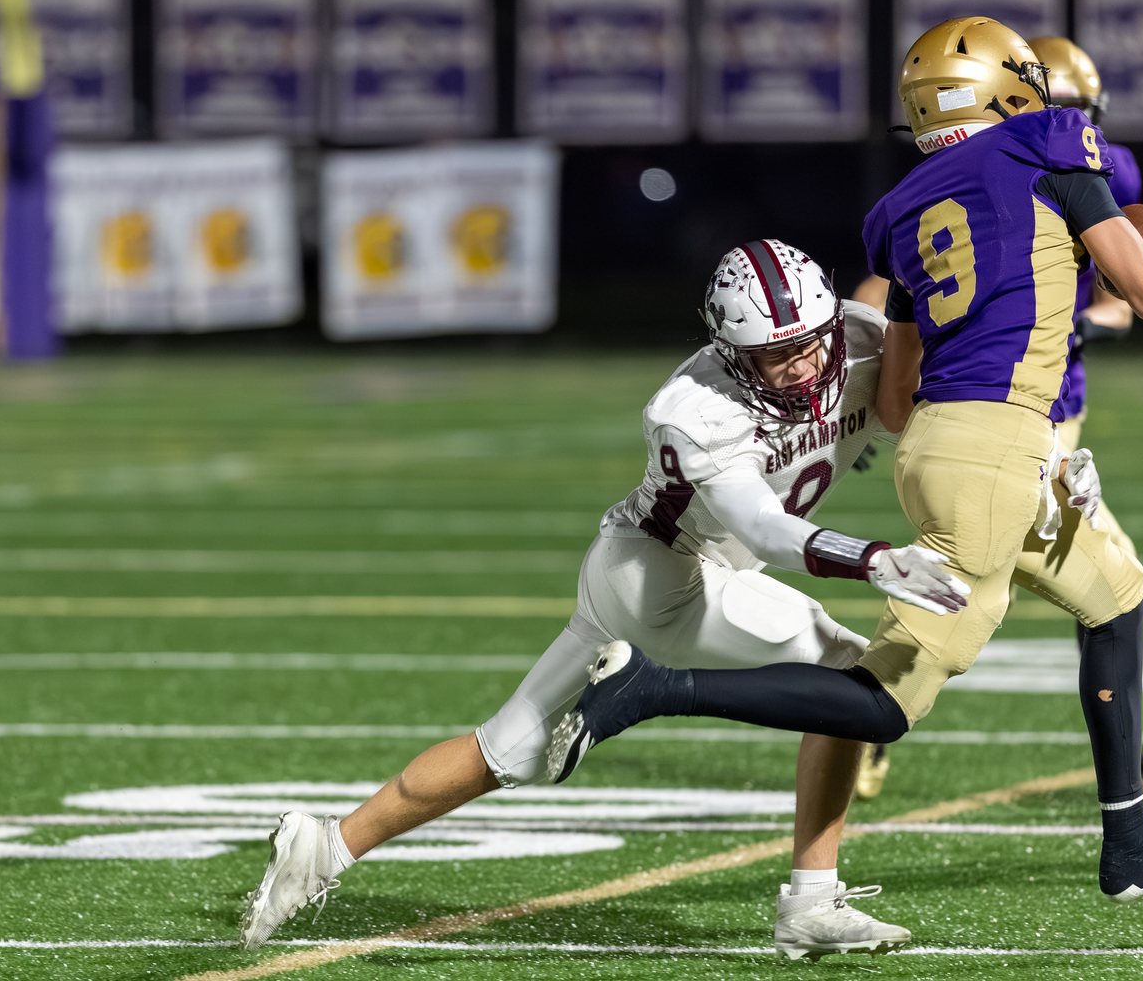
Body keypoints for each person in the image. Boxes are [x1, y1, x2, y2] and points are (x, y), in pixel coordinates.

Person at [550, 18, 1143, 906]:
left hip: (954, 447)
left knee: (1116, 594)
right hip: (990, 455)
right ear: (1003, 84)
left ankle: (1132, 836)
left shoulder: (901, 209)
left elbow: (894, 401)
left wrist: (1024, 444)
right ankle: (655, 688)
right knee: (886, 702)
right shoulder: (1051, 136)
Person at [237, 240, 971, 960]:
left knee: (508, 750)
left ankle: (326, 846)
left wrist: (1048, 461)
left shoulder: (865, 339)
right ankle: (809, 897)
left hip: (633, 571)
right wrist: (873, 560)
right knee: (845, 674)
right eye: (775, 355)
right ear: (729, 353)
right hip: (663, 579)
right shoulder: (696, 407)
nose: (804, 365)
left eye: (811, 343)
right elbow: (764, 529)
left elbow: (954, 391)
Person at [848, 36, 1143, 810]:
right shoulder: (1042, 148)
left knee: (1082, 582)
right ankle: (861, 722)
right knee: (1051, 579)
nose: (1082, 125)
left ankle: (1124, 787)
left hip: (1033, 398)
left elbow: (1111, 301)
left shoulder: (971, 175)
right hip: (1010, 411)